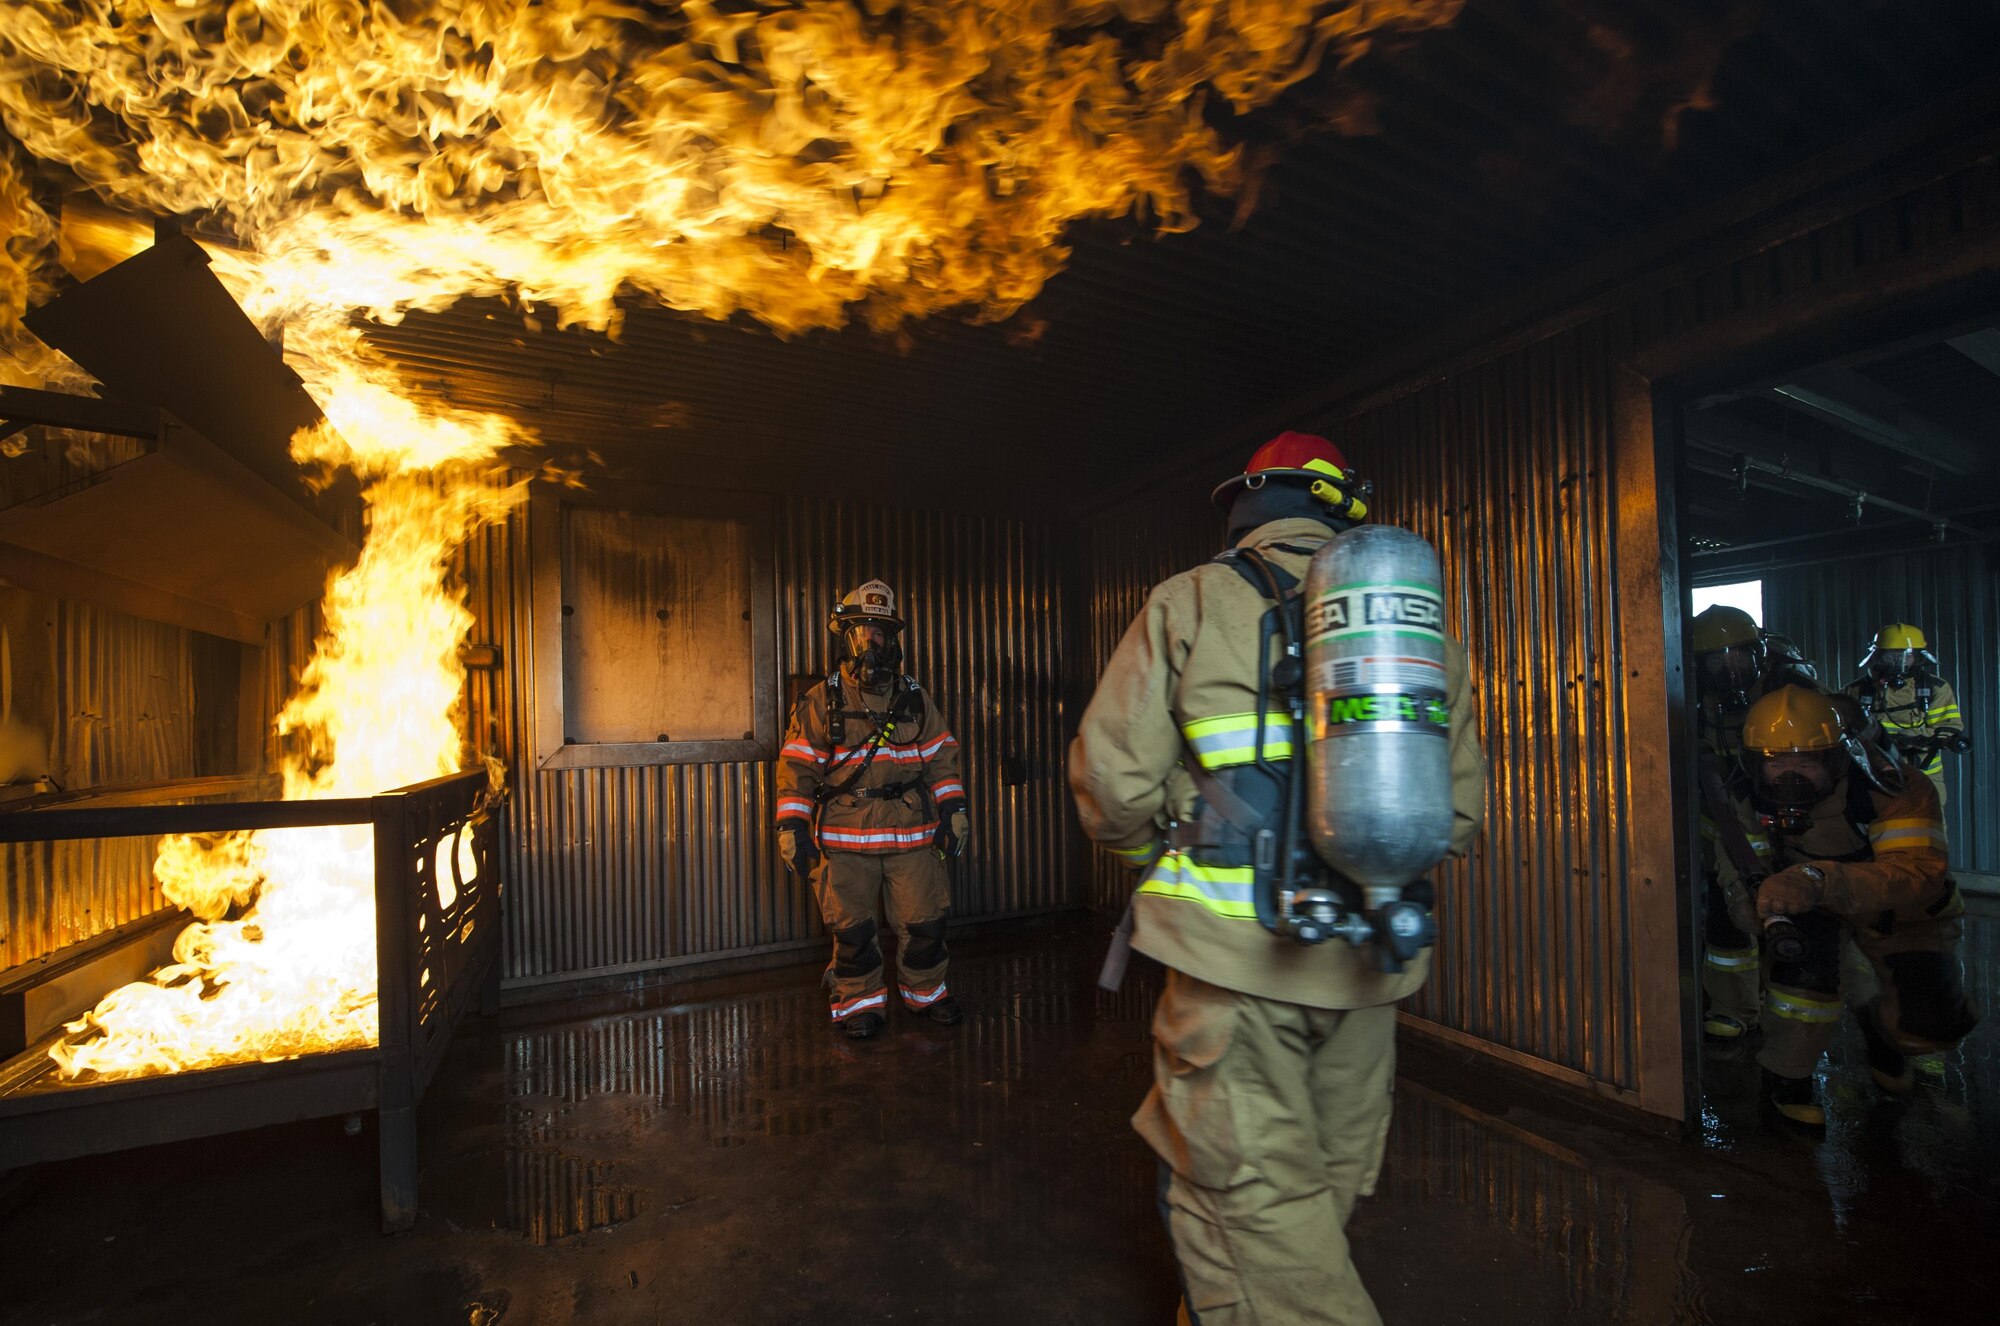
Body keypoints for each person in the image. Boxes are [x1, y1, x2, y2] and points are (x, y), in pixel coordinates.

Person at [1069, 431, 1484, 1326]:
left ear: (1244, 511)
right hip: (1370, 968)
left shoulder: (1191, 600)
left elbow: (1112, 785)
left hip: (1232, 970)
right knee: (1310, 1201)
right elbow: (1457, 818)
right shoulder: (1414, 631)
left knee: (1247, 1206)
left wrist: (1156, 859)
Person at [1714, 684, 1976, 1128]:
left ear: (1836, 758)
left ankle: (1881, 1029)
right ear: (1757, 763)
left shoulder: (1894, 785)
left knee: (1933, 1021)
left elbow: (1917, 874)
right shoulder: (1744, 796)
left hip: (1897, 910)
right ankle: (1788, 1078)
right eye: (1777, 761)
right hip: (1808, 904)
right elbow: (1741, 862)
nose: (1789, 775)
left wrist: (1818, 879)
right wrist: (1753, 905)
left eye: (1806, 761)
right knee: (1802, 984)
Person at [775, 580, 969, 1038]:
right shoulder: (823, 700)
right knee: (853, 934)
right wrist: (791, 828)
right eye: (862, 632)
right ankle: (859, 1005)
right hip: (845, 842)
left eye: (880, 632)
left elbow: (942, 759)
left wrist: (955, 811)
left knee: (927, 925)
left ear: (893, 637)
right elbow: (798, 770)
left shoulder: (915, 698)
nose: (871, 642)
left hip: (913, 838)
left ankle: (927, 995)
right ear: (847, 637)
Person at [1690, 605, 1776, 1042]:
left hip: (1782, 833)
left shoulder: (1783, 694)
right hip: (1721, 835)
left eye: (1740, 654)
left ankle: (1778, 1008)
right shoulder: (1690, 705)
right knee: (1727, 918)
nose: (1731, 666)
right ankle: (1733, 1009)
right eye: (1717, 658)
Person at [1845, 623, 1965, 808]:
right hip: (1875, 775)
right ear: (1878, 656)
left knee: (1928, 829)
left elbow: (1949, 727)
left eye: (1905, 655)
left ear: (1917, 656)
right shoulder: (1857, 691)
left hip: (1925, 773)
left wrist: (1914, 739)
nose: (1898, 661)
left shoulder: (1934, 688)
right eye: (1891, 656)